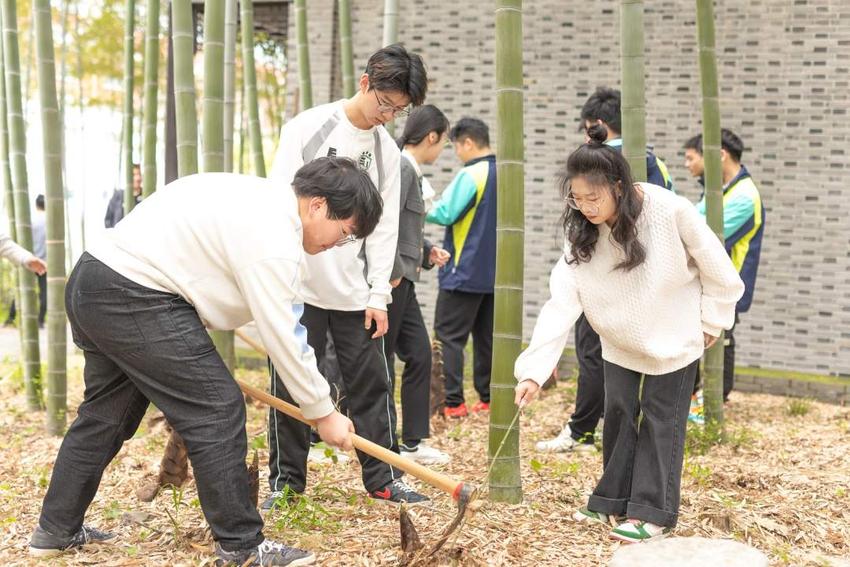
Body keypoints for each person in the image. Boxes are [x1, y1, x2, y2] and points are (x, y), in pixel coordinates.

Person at [29, 157, 380, 566]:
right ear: (319, 206)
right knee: (217, 407)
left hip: (95, 279)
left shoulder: (256, 199)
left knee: (107, 414)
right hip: (134, 291)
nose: (337, 244)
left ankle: (55, 530)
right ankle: (242, 546)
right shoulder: (274, 234)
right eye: (344, 232)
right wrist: (323, 412)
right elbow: (284, 334)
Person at [513, 124, 743, 543]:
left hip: (674, 334)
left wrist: (713, 320)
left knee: (661, 421)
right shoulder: (580, 229)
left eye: (593, 198)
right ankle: (611, 501)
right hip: (618, 339)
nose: (584, 207)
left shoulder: (669, 210)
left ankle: (652, 513)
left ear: (618, 186)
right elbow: (561, 302)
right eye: (576, 198)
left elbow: (720, 270)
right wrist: (533, 370)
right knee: (617, 416)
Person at [264, 44, 430, 508]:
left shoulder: (386, 151)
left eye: (398, 111)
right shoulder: (308, 128)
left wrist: (379, 293)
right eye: (385, 104)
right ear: (365, 83)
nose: (388, 116)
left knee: (373, 386)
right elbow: (280, 205)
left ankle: (384, 478)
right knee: (292, 383)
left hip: (356, 292)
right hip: (301, 284)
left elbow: (385, 229)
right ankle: (286, 485)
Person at [536, 87, 676, 453]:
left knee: (593, 355)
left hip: (606, 280)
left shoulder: (598, 166)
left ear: (595, 126)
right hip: (651, 284)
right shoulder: (654, 162)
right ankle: (626, 435)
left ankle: (583, 430)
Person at [386, 105, 452, 464]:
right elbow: (384, 224)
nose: (442, 150)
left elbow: (406, 229)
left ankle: (412, 442)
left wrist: (427, 252)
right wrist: (395, 269)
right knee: (382, 363)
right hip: (394, 279)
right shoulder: (400, 167)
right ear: (431, 137)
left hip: (405, 277)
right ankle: (384, 441)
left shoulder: (408, 168)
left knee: (419, 355)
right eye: (443, 142)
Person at [684, 129, 765, 401]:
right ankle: (699, 398)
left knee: (721, 341)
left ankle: (717, 400)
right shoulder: (719, 189)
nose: (689, 165)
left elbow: (703, 236)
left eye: (693, 157)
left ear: (720, 154)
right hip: (708, 281)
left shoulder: (744, 196)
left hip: (728, 283)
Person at [426, 117, 496, 418]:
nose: (456, 153)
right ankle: (489, 398)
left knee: (448, 338)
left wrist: (417, 205)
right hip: (496, 276)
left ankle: (454, 403)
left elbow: (444, 212)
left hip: (462, 271)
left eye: (456, 147)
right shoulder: (506, 172)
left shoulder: (472, 174)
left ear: (468, 142)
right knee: (486, 338)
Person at [4, 194, 47, 327]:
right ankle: (40, 321)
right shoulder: (51, 221)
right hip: (44, 262)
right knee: (44, 291)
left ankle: (11, 317)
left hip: (28, 259)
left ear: (36, 205)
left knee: (22, 290)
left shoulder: (30, 220)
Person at [103, 164, 142, 228]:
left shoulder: (145, 197)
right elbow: (108, 220)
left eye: (139, 174)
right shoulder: (118, 196)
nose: (138, 178)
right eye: (134, 175)